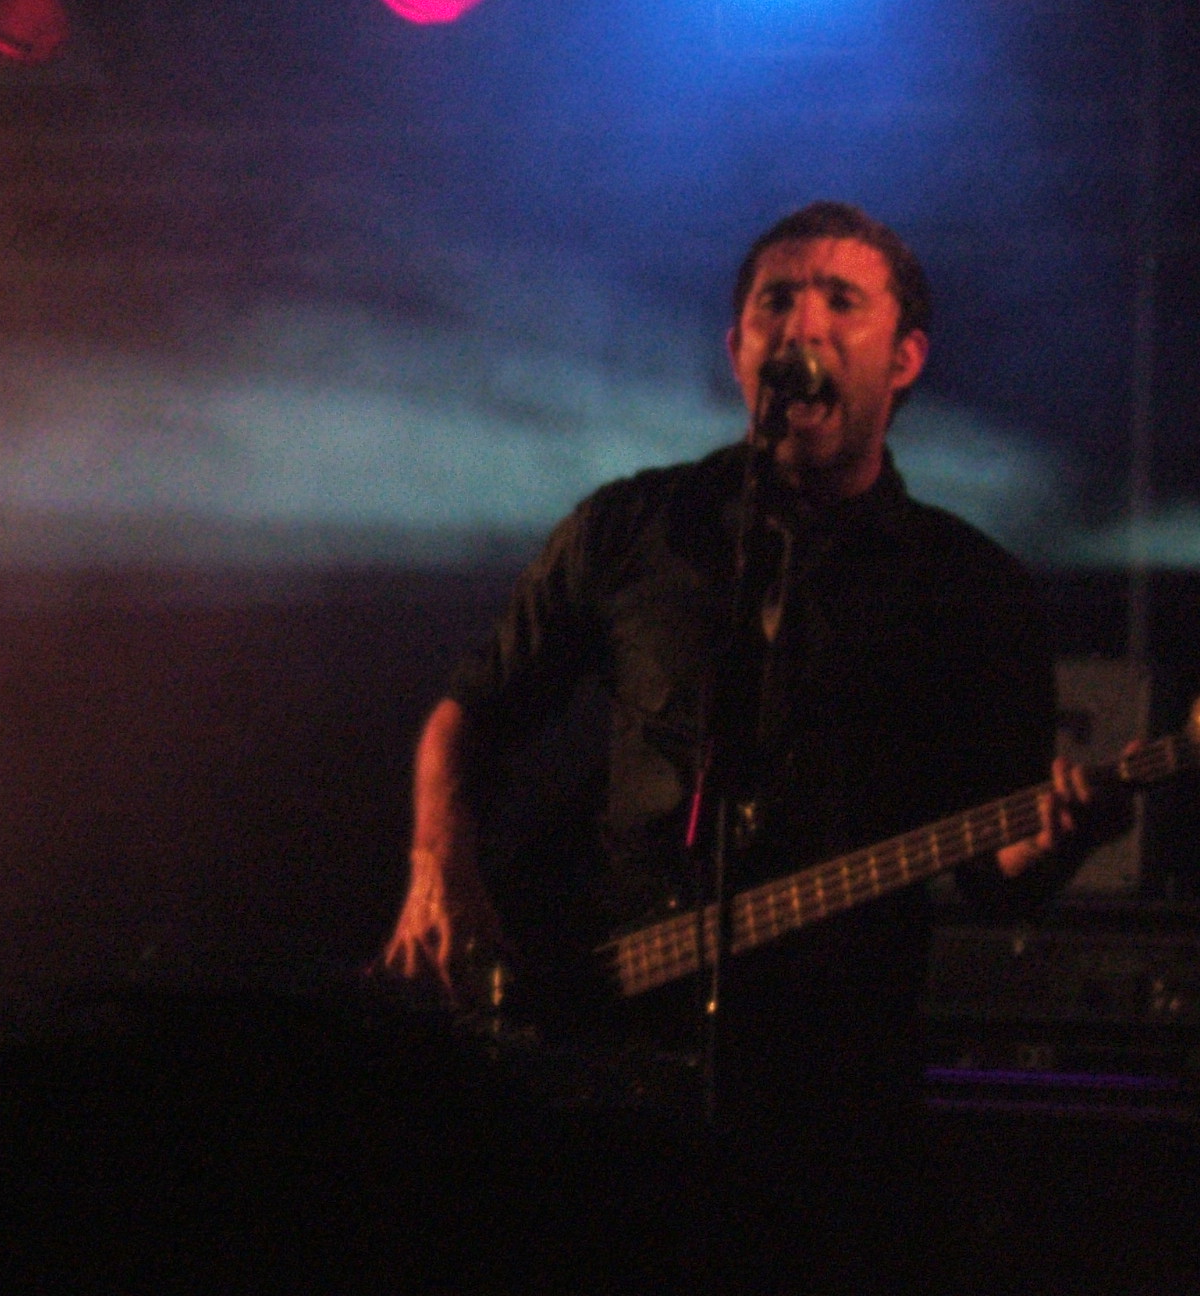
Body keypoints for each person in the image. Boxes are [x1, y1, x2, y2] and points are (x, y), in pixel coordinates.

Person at [378, 202, 1101, 1285]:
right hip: (598, 1068)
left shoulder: (969, 589)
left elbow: (995, 878)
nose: (803, 324)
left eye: (840, 301)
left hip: (834, 1106)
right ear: (739, 350)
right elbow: (471, 712)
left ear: (904, 358)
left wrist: (1061, 837)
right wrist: (439, 864)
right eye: (777, 300)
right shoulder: (632, 530)